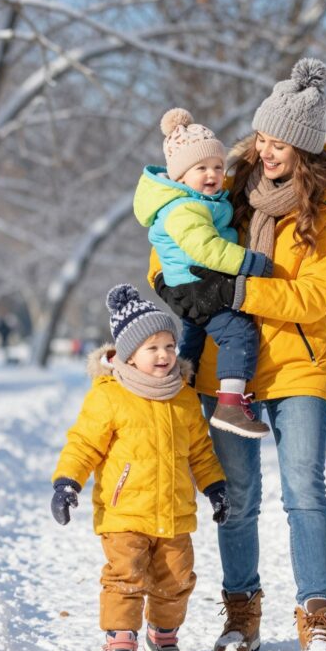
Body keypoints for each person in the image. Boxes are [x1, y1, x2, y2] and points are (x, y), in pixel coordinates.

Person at [150, 58, 326, 651]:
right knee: (237, 498)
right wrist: (175, 290)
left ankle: (318, 619)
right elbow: (169, 240)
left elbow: (313, 298)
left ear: (302, 148)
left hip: (299, 364)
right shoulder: (226, 179)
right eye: (263, 138)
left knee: (304, 491)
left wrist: (236, 294)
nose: (266, 151)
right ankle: (241, 614)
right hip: (227, 368)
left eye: (279, 143)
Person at [49, 284, 231, 651]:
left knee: (176, 577)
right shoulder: (110, 396)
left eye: (168, 345)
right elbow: (83, 444)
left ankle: (164, 635)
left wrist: (215, 487)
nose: (164, 355)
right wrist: (67, 482)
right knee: (124, 577)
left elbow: (200, 451)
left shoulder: (182, 396)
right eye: (152, 348)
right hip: (124, 513)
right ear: (129, 354)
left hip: (174, 512)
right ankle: (120, 640)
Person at [133, 107, 273, 439]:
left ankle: (183, 390)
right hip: (200, 285)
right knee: (237, 333)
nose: (212, 174)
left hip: (188, 285)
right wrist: (250, 263)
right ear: (181, 176)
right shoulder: (184, 208)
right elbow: (207, 249)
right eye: (201, 168)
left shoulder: (196, 200)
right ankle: (230, 404)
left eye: (217, 167)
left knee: (194, 341)